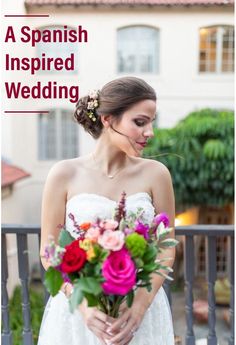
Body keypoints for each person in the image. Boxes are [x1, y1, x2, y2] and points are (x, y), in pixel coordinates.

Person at [38, 76, 176, 345]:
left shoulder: (157, 174)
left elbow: (166, 247)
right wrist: (84, 307)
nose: (150, 132)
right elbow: (49, 251)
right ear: (108, 120)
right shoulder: (63, 173)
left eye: (151, 122)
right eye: (140, 122)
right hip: (79, 314)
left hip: (139, 314)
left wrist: (139, 306)